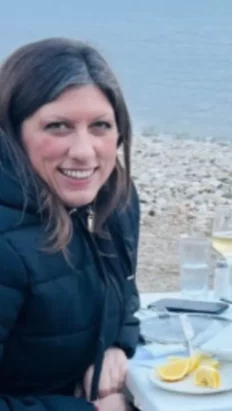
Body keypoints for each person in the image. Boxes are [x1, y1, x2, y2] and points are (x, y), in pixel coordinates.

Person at [0, 38, 141, 410]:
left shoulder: (114, 198)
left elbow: (124, 292)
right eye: (58, 126)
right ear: (12, 133)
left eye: (100, 126)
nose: (83, 151)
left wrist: (116, 345)